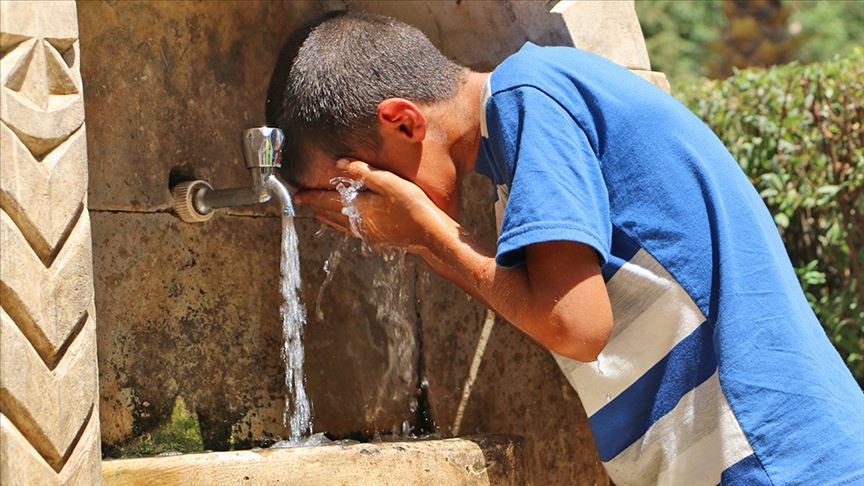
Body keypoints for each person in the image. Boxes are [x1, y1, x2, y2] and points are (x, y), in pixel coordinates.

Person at [270, 11, 864, 485]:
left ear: (403, 123)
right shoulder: (529, 121)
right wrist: (427, 240)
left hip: (776, 458)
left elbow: (576, 324)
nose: (359, 212)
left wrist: (427, 235)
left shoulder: (531, 98)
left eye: (356, 187)